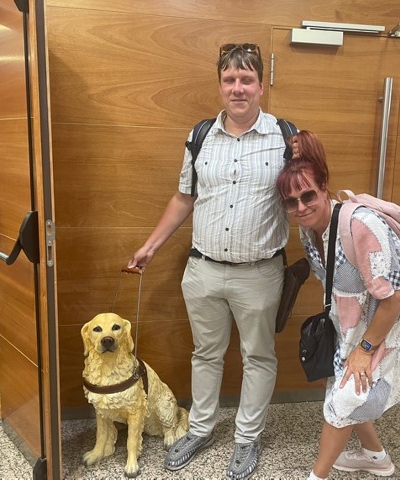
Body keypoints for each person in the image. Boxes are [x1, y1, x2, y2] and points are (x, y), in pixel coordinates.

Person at [127, 43, 291, 480]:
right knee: (206, 354)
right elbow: (185, 197)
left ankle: (247, 438)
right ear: (220, 84)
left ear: (261, 84)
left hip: (259, 273)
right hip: (202, 270)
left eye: (247, 80)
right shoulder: (201, 135)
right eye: (230, 80)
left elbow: (302, 200)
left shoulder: (286, 138)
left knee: (258, 356)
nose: (238, 88)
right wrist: (151, 246)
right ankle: (200, 429)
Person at [276, 131, 400, 480]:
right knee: (351, 386)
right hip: (353, 322)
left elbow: (396, 297)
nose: (300, 207)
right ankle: (376, 456)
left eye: (308, 195)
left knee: (344, 401)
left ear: (324, 186)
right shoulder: (307, 230)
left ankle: (317, 476)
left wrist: (366, 348)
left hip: (390, 322)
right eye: (290, 202)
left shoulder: (360, 225)